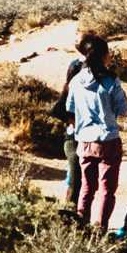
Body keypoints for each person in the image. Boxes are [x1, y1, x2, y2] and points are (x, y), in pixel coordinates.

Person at [64, 32, 127, 230]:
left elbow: (70, 108)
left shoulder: (76, 81)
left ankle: (80, 228)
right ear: (102, 55)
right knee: (106, 191)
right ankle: (100, 230)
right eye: (108, 53)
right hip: (107, 140)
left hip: (84, 142)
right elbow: (124, 109)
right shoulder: (110, 82)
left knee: (86, 187)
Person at [48, 56, 84, 206]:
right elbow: (56, 110)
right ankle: (69, 209)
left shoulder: (77, 89)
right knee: (75, 177)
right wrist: (73, 122)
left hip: (77, 138)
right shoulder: (71, 89)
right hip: (73, 139)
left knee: (76, 176)